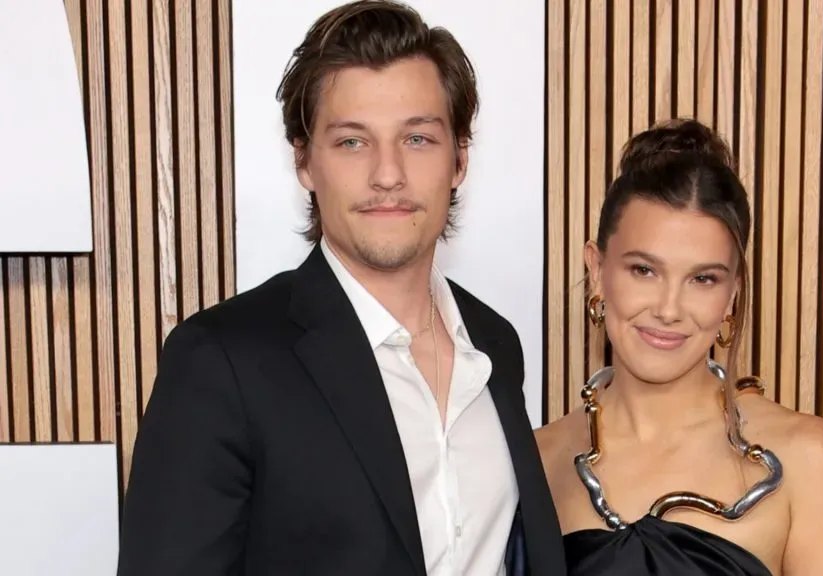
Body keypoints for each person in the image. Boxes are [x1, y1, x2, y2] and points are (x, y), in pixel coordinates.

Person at [117, 2, 564, 575]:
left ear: (459, 159)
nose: (387, 174)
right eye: (353, 142)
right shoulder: (222, 362)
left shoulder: (495, 343)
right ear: (304, 161)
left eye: (418, 138)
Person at [535, 118, 823, 575]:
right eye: (644, 270)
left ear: (731, 294)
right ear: (597, 270)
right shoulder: (539, 459)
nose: (669, 309)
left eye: (703, 279)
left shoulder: (805, 456)